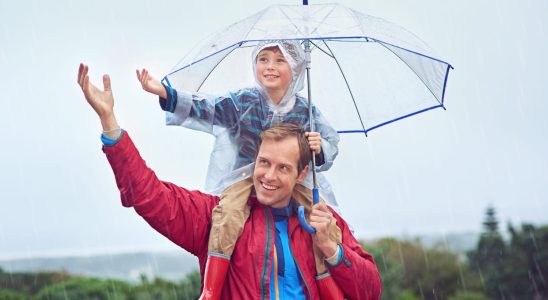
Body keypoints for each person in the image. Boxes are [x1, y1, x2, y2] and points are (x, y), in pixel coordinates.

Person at [77, 63, 382, 299]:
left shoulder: (323, 222)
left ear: (302, 174)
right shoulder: (218, 217)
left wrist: (331, 248)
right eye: (263, 163)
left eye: (283, 168)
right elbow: (149, 196)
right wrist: (110, 125)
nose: (269, 176)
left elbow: (370, 291)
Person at [136, 40, 346, 298]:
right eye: (263, 59)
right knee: (226, 216)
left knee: (324, 222)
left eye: (280, 61)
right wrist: (167, 95)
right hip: (247, 178)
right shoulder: (244, 101)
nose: (270, 67)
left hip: (294, 182)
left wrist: (319, 146)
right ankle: (211, 289)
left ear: (297, 69)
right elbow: (209, 107)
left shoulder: (307, 110)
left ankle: (330, 286)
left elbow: (330, 143)